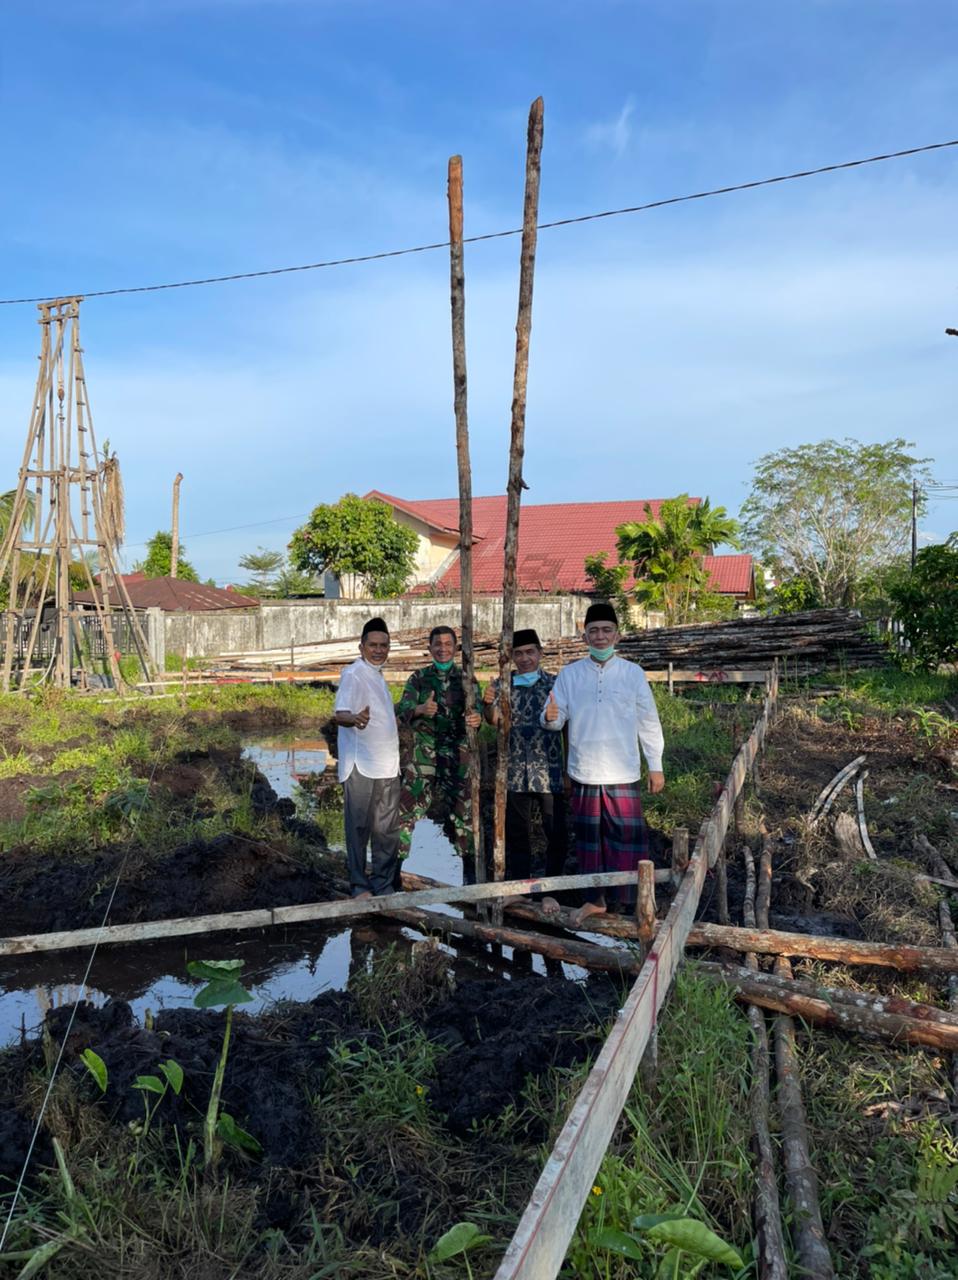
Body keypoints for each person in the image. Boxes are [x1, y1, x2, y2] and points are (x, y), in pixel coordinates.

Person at [541, 601, 665, 926]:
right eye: (593, 631)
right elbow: (554, 716)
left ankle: (631, 899)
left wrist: (656, 764)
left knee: (626, 839)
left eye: (606, 630)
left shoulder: (632, 674)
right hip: (584, 770)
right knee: (589, 842)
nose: (600, 636)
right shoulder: (569, 675)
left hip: (622, 770)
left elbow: (648, 721)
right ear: (584, 637)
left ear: (617, 636)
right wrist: (550, 717)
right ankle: (595, 900)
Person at [396, 625, 482, 876]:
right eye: (437, 644)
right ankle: (394, 872)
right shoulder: (419, 678)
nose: (442, 649)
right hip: (425, 754)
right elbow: (402, 711)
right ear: (429, 648)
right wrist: (421, 709)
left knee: (463, 813)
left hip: (458, 755)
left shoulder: (467, 679)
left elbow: (477, 713)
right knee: (406, 810)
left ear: (455, 648)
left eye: (447, 644)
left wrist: (476, 719)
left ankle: (469, 872)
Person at [482, 628, 566, 882]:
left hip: (549, 771)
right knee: (517, 833)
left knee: (556, 831)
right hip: (514, 771)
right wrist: (487, 704)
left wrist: (567, 768)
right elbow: (493, 720)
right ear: (511, 657)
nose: (525, 658)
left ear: (540, 653)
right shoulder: (502, 685)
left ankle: (553, 885)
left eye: (530, 652)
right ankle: (520, 885)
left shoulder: (556, 684)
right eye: (518, 653)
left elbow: (567, 728)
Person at [333, 617, 401, 898]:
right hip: (361, 765)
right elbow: (340, 714)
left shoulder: (377, 675)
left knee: (387, 831)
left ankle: (383, 884)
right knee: (359, 829)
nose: (378, 650)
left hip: (387, 764)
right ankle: (360, 885)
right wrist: (355, 720)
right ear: (361, 647)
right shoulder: (354, 674)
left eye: (383, 645)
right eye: (372, 645)